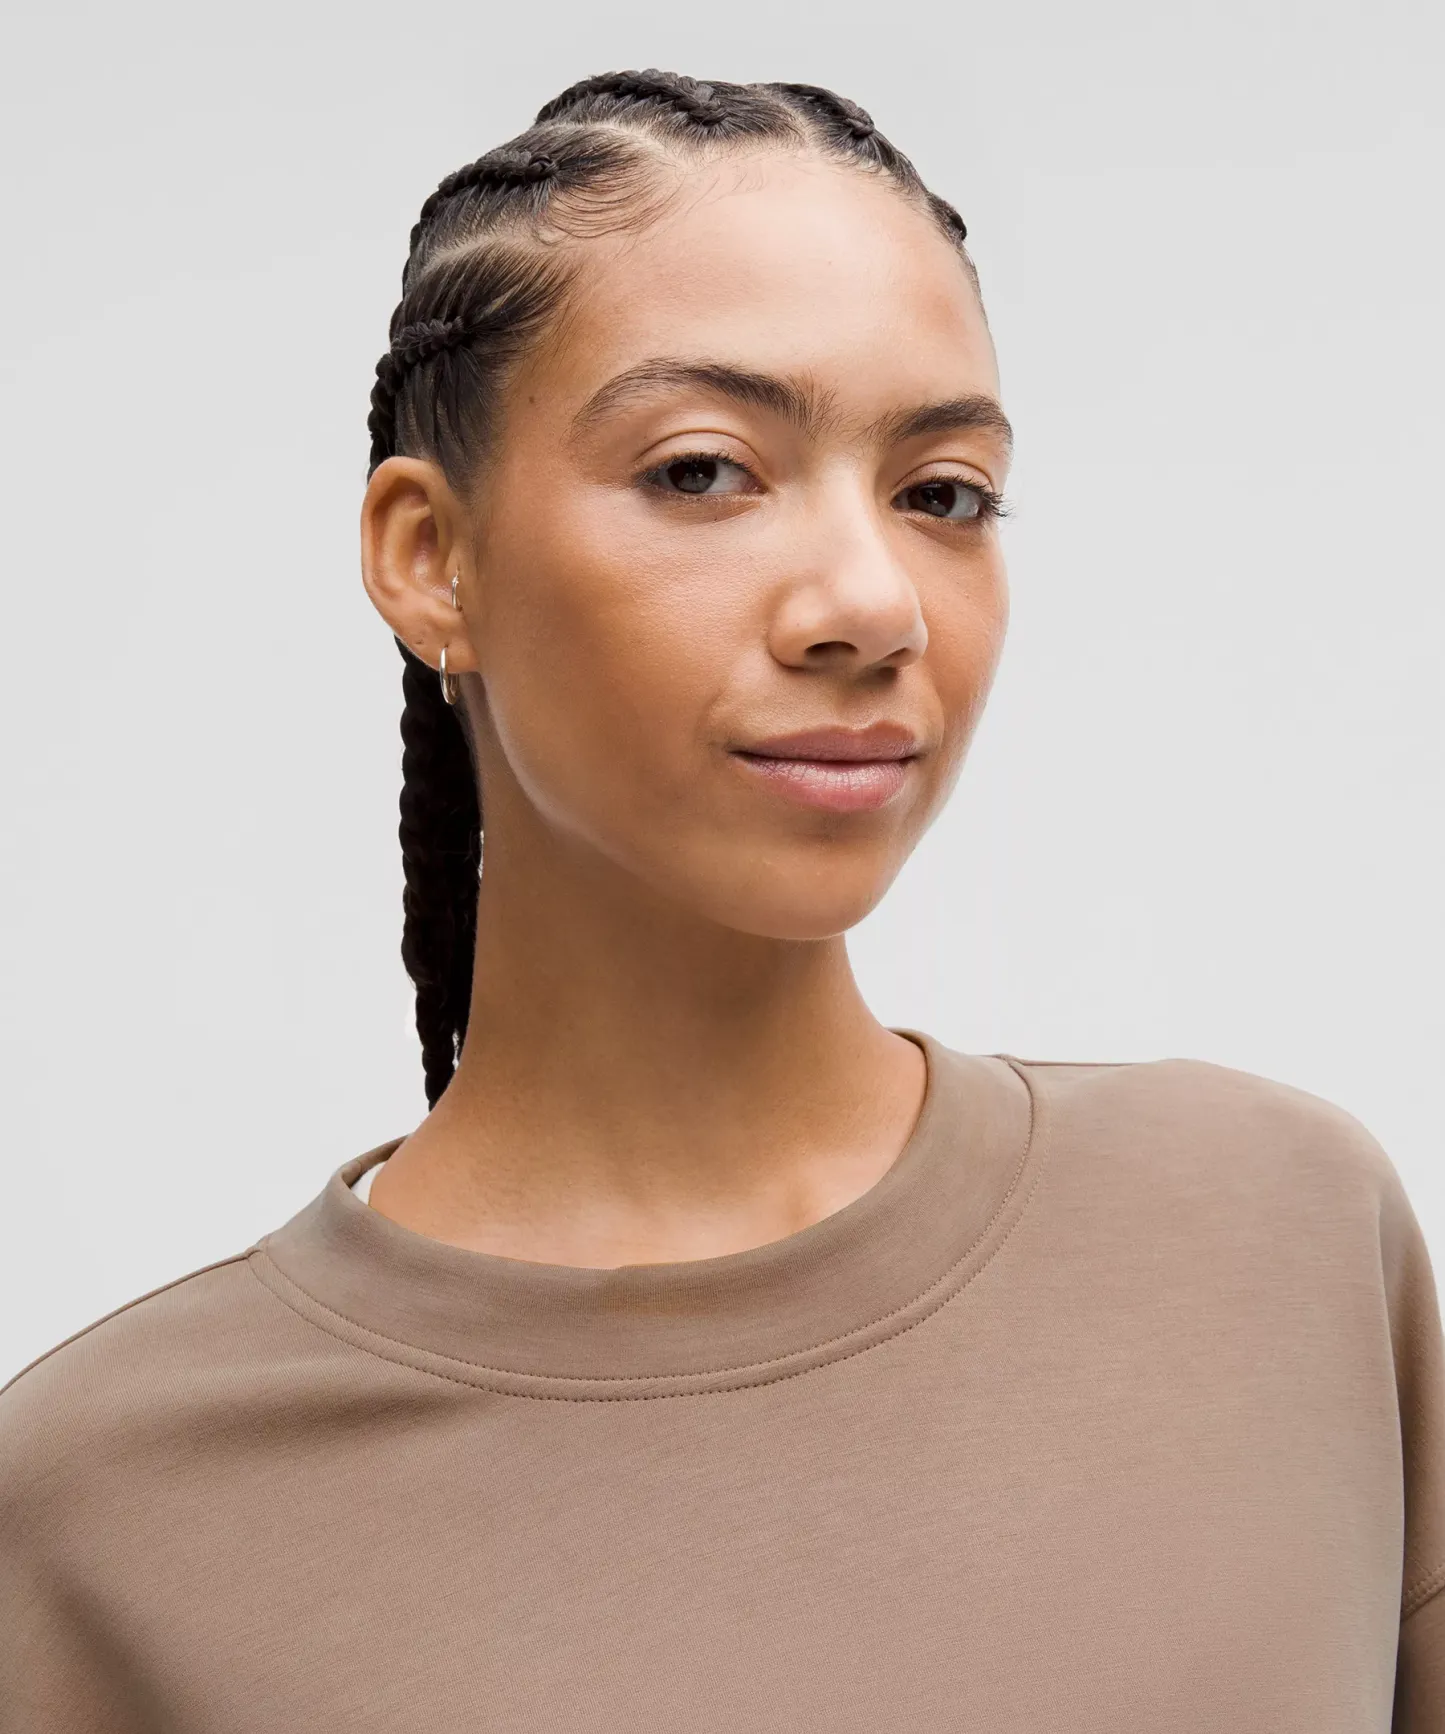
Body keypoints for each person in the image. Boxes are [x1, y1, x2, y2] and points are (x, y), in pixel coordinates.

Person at [1, 67, 1439, 1731]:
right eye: (703, 472)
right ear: (427, 555)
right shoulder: (108, 1514)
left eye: (943, 492)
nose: (872, 604)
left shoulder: (1278, 1240)